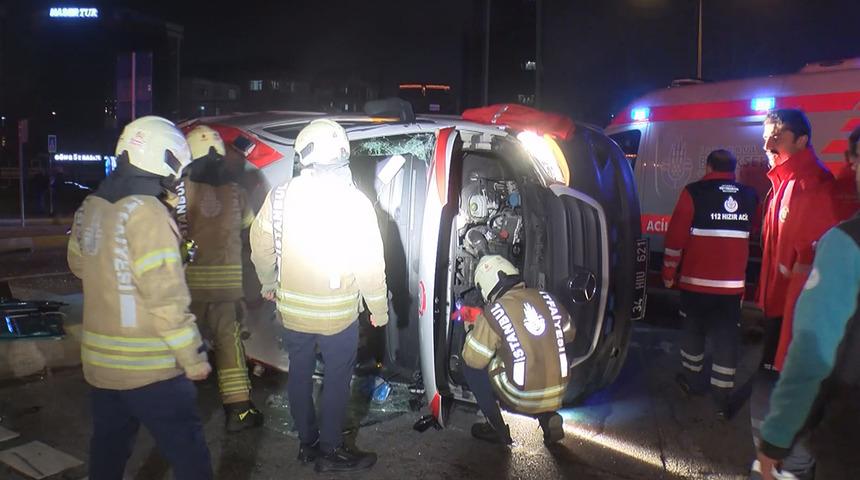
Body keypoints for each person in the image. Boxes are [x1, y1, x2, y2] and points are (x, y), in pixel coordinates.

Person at [67, 116, 212, 479]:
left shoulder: (91, 207)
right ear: (168, 160)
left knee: (109, 449)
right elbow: (166, 297)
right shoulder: (147, 213)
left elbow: (78, 265)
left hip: (101, 366)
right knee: (189, 451)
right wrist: (192, 357)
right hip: (150, 367)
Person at [249, 119, 388, 473]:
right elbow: (370, 261)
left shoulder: (279, 196)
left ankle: (306, 445)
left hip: (292, 312)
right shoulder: (354, 202)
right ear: (342, 154)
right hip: (338, 317)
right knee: (338, 381)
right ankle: (331, 450)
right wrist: (378, 308)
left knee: (299, 373)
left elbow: (260, 245)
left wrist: (268, 282)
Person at [751, 109, 853, 479]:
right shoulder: (783, 184)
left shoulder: (815, 189)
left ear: (802, 140)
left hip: (796, 322)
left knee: (791, 404)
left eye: (776, 135)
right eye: (765, 136)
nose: (767, 144)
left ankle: (789, 466)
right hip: (777, 312)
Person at [662, 149, 759, 416]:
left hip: (695, 284)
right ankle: (722, 398)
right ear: (733, 169)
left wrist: (669, 273)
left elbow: (675, 239)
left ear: (708, 167)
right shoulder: (750, 196)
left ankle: (693, 383)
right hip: (731, 288)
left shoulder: (694, 192)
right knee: (726, 338)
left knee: (694, 333)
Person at [180, 125, 262, 432]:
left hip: (190, 283)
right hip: (227, 285)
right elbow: (248, 227)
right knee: (229, 344)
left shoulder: (180, 188)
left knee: (184, 343)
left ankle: (177, 409)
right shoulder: (237, 191)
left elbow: (171, 232)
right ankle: (239, 409)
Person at [460, 255, 575, 446]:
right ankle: (548, 417)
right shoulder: (548, 298)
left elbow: (473, 359)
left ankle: (496, 428)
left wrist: (472, 328)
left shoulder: (493, 313)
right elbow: (570, 334)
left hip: (522, 396)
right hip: (559, 390)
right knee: (545, 346)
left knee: (473, 367)